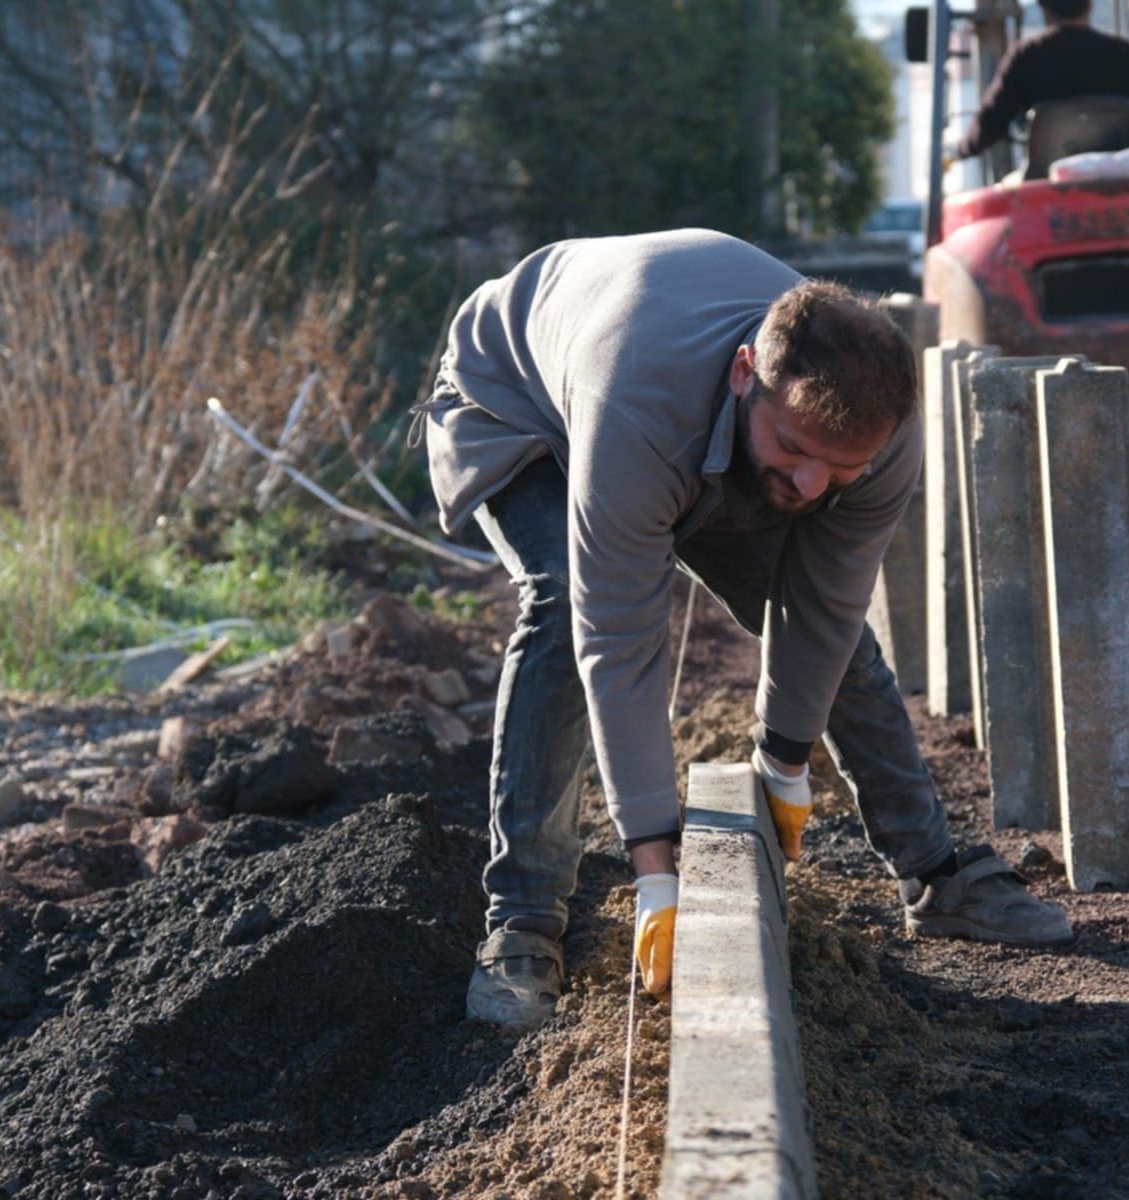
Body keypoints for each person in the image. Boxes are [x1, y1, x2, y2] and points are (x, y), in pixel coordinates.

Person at [419, 229, 1072, 1029]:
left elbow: (824, 609)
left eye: (840, 470)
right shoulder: (638, 399)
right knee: (562, 605)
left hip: (690, 432)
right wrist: (658, 878)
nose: (809, 485)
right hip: (518, 402)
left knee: (845, 645)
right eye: (796, 449)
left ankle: (936, 875)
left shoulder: (874, 438)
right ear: (745, 374)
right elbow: (619, 640)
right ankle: (520, 925)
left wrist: (786, 764)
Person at [954, 0, 1129, 164]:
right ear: (1089, 6)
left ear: (1043, 9)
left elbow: (991, 122)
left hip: (1044, 184)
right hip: (1118, 180)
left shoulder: (1026, 56)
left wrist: (960, 152)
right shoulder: (1124, 54)